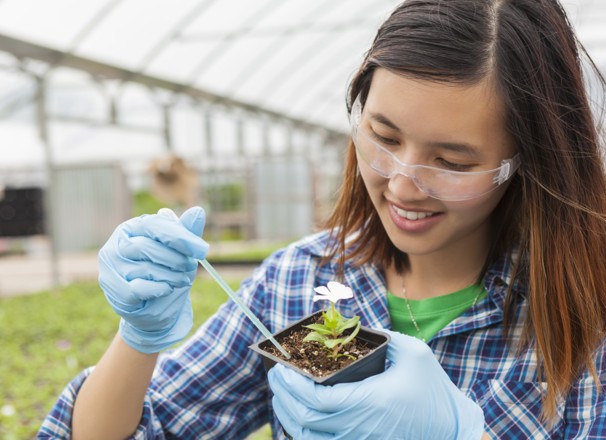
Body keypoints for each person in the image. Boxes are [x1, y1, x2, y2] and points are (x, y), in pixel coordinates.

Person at [39, 0, 606, 438]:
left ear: (527, 162)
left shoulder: (584, 314)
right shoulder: (296, 283)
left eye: (451, 162)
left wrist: (465, 432)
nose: (403, 185)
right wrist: (139, 338)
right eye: (383, 138)